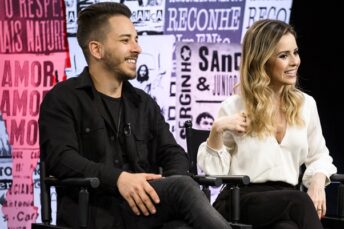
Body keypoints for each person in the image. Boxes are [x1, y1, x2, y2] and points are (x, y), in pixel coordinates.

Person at [39, 3, 231, 229]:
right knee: (184, 191)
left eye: (136, 39)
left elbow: (172, 152)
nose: (137, 48)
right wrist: (119, 179)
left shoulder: (143, 102)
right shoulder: (63, 98)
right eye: (125, 40)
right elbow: (61, 159)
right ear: (96, 49)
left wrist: (169, 184)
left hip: (145, 208)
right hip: (94, 211)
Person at [197, 19, 337, 229]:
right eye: (283, 55)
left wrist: (318, 180)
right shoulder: (235, 106)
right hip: (241, 200)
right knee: (298, 201)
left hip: (285, 201)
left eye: (295, 52)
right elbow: (215, 171)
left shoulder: (305, 105)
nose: (294, 62)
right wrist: (217, 129)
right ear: (262, 61)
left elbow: (320, 155)